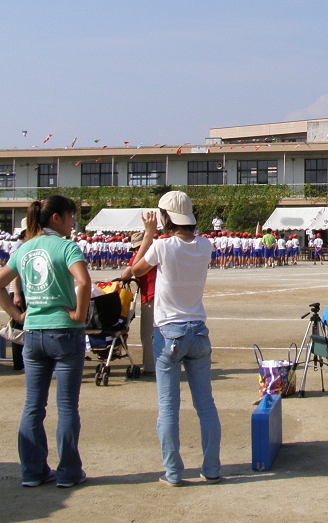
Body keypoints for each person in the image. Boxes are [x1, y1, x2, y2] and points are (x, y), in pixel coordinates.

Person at [0, 195, 91, 488]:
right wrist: (79, 313)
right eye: (70, 217)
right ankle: (68, 472)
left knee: (33, 406)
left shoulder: (25, 248)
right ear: (56, 218)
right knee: (67, 406)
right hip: (64, 330)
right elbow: (84, 281)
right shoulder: (66, 246)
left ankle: (32, 471)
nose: (73, 223)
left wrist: (17, 316)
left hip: (34, 332)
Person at [123, 191, 221, 487]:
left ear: (166, 218)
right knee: (206, 406)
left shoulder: (162, 246)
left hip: (169, 331)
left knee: (168, 407)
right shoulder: (205, 245)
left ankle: (174, 472)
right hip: (198, 329)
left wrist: (148, 234)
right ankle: (211, 468)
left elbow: (134, 270)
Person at [126, 232, 157, 375]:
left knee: (148, 334)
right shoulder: (156, 252)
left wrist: (137, 256)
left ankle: (150, 367)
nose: (136, 252)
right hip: (163, 297)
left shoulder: (142, 257)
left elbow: (126, 275)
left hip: (151, 298)